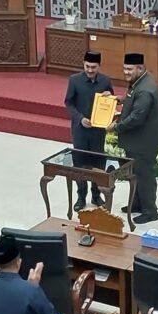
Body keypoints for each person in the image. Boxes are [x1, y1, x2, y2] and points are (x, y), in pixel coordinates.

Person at [107, 53, 158, 225]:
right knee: (137, 174)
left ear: (140, 68)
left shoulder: (146, 89)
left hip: (144, 142)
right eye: (125, 68)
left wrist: (115, 127)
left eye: (130, 69)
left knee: (145, 176)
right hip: (138, 140)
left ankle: (150, 211)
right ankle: (138, 204)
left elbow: (136, 118)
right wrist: (120, 99)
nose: (126, 72)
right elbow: (133, 98)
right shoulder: (140, 82)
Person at [64, 51, 114, 211]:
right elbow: (69, 103)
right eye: (87, 66)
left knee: (97, 162)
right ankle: (81, 196)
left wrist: (109, 96)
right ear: (83, 64)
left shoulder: (105, 81)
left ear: (99, 66)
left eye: (93, 67)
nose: (90, 70)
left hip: (98, 131)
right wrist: (80, 118)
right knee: (80, 163)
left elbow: (111, 101)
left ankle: (96, 194)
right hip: (80, 130)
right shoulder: (74, 80)